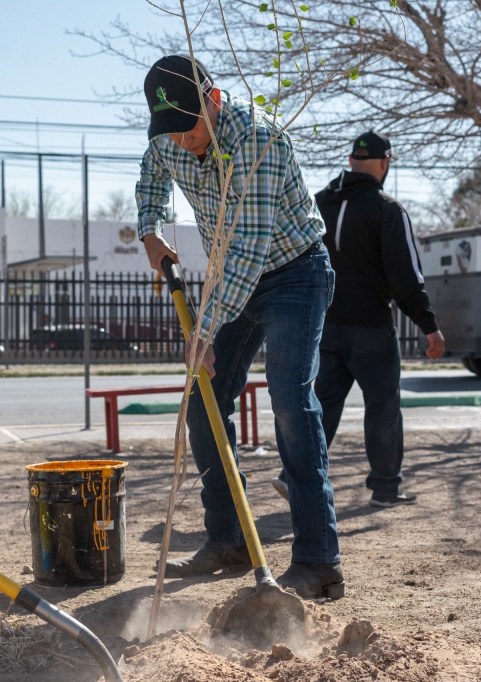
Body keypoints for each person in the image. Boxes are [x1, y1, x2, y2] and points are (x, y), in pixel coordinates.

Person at [135, 54, 344, 599]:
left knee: (292, 403)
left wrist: (204, 329)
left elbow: (249, 252)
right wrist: (151, 228)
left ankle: (319, 561)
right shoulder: (169, 134)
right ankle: (228, 540)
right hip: (233, 276)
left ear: (216, 101)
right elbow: (151, 175)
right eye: (170, 130)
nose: (180, 141)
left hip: (294, 274)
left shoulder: (258, 141)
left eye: (188, 127)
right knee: (205, 401)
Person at [275, 132, 445, 508]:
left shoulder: (318, 204)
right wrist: (428, 325)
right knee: (383, 407)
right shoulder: (388, 209)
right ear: (384, 163)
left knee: (321, 407)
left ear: (351, 160)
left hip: (324, 326)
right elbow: (406, 276)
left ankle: (292, 477)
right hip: (371, 328)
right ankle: (385, 489)